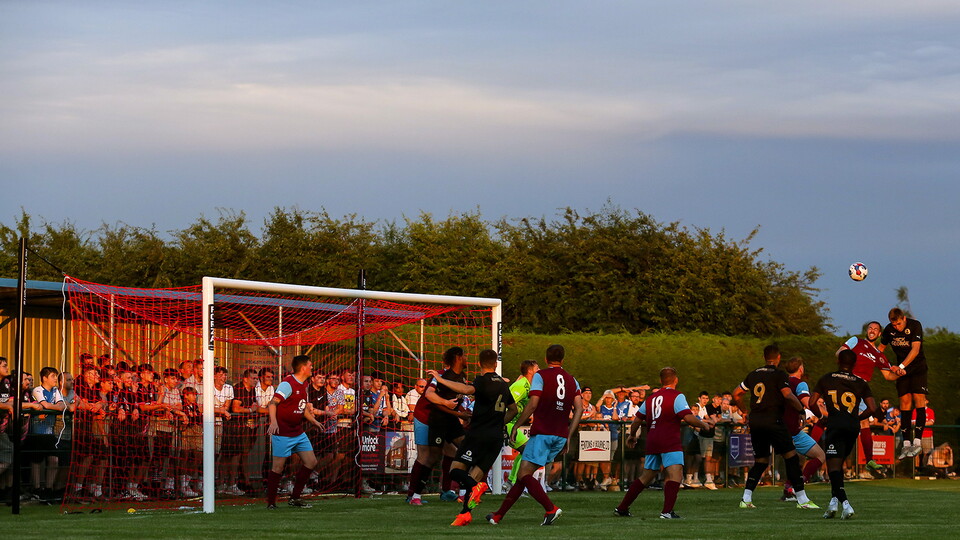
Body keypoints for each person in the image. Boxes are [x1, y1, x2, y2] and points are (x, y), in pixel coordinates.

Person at [487, 344, 584, 526]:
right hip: (560, 435)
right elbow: (579, 409)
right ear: (563, 360)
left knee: (524, 475)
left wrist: (516, 425)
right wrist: (569, 436)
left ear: (546, 360)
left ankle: (551, 509)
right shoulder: (572, 380)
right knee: (526, 475)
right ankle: (498, 515)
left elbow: (532, 405)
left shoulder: (541, 376)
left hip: (543, 433)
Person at [426, 349, 518, 526]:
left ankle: (474, 490)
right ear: (496, 364)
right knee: (475, 476)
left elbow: (467, 389)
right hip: (496, 437)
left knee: (456, 470)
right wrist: (499, 423)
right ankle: (465, 515)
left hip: (478, 434)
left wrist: (440, 379)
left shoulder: (482, 380)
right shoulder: (503, 384)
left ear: (479, 364)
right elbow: (513, 409)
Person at [614, 367, 713, 519]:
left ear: (661, 381)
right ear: (676, 380)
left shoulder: (651, 398)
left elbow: (637, 420)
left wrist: (631, 435)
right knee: (675, 474)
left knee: (646, 476)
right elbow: (687, 417)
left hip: (652, 440)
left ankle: (622, 508)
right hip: (669, 439)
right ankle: (667, 512)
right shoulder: (677, 396)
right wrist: (704, 424)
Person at [732, 345, 819, 510]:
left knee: (761, 461)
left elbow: (736, 393)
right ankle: (802, 499)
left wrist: (744, 411)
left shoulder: (754, 374)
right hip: (773, 420)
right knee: (791, 458)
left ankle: (746, 498)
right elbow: (787, 394)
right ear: (778, 358)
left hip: (756, 421)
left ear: (765, 357)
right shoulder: (779, 374)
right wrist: (802, 410)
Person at [808, 349, 877, 520]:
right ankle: (832, 504)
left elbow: (811, 402)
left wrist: (824, 416)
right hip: (852, 427)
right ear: (854, 364)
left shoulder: (826, 378)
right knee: (837, 466)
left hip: (836, 425)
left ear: (838, 361)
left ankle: (846, 504)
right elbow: (873, 408)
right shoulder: (860, 382)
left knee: (833, 468)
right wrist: (857, 418)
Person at [407, 347, 469, 505]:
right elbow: (429, 395)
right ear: (458, 358)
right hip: (426, 417)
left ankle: (451, 490)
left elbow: (458, 400)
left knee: (460, 450)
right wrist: (449, 405)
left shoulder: (462, 377)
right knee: (426, 456)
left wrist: (463, 412)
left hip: (448, 418)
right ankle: (413, 494)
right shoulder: (440, 376)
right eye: (464, 355)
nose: (467, 358)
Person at [838, 321, 900, 474]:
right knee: (840, 420)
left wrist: (899, 374)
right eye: (870, 328)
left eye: (876, 329)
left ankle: (869, 460)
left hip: (861, 387)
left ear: (879, 334)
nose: (872, 331)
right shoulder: (856, 341)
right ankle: (831, 455)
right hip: (847, 384)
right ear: (867, 331)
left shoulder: (879, 355)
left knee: (864, 423)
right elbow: (839, 352)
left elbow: (887, 375)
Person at [265, 355, 326, 509]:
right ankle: (271, 503)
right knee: (277, 468)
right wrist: (273, 422)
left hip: (298, 432)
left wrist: (314, 421)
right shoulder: (287, 383)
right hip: (283, 433)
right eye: (310, 365)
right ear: (303, 367)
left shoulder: (304, 384)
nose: (312, 368)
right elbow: (272, 403)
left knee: (311, 462)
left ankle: (295, 498)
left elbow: (301, 407)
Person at [877, 308, 929, 459]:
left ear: (904, 319)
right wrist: (888, 366)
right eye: (894, 325)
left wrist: (901, 367)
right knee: (905, 402)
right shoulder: (888, 330)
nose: (897, 327)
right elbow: (880, 351)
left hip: (917, 368)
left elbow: (915, 350)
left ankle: (917, 441)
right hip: (901, 370)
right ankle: (906, 444)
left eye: (899, 324)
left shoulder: (915, 325)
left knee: (919, 399)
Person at [779, 357, 826, 501]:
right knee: (820, 456)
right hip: (793, 430)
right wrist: (822, 414)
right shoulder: (800, 383)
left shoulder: (781, 381)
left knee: (795, 460)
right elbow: (808, 402)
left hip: (779, 428)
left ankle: (788, 489)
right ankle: (797, 486)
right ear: (801, 368)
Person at [29, 367, 66, 501]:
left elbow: (61, 406)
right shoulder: (37, 390)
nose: (55, 379)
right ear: (44, 378)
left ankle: (48, 489)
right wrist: (53, 406)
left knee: (54, 459)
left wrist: (52, 407)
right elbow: (44, 404)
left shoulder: (56, 391)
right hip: (37, 433)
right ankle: (36, 488)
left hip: (50, 433)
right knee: (37, 461)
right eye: (52, 376)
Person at [506, 360, 539, 487]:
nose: (539, 370)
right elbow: (507, 402)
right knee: (527, 450)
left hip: (512, 423)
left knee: (526, 451)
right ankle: (513, 483)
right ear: (530, 371)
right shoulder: (522, 385)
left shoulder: (529, 385)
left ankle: (511, 482)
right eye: (537, 368)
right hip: (507, 423)